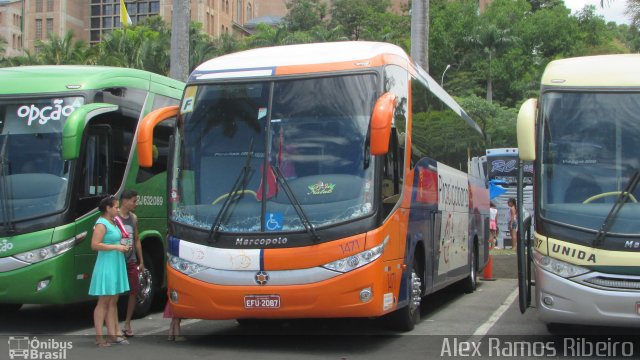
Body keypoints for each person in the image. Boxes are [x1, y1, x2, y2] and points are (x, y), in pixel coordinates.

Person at [88, 195, 130, 347]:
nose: (118, 209)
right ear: (108, 208)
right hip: (106, 264)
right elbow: (95, 245)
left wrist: (122, 246)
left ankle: (113, 334)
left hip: (115, 262)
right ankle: (100, 337)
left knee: (113, 301)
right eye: (116, 207)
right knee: (104, 302)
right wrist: (116, 247)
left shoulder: (113, 222)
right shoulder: (101, 223)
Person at [117, 190, 144, 338]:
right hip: (117, 260)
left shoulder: (133, 218)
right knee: (114, 293)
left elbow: (137, 239)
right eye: (134, 201)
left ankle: (127, 323)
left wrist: (141, 260)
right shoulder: (115, 219)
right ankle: (114, 323)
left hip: (131, 260)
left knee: (134, 291)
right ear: (125, 201)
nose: (136, 204)